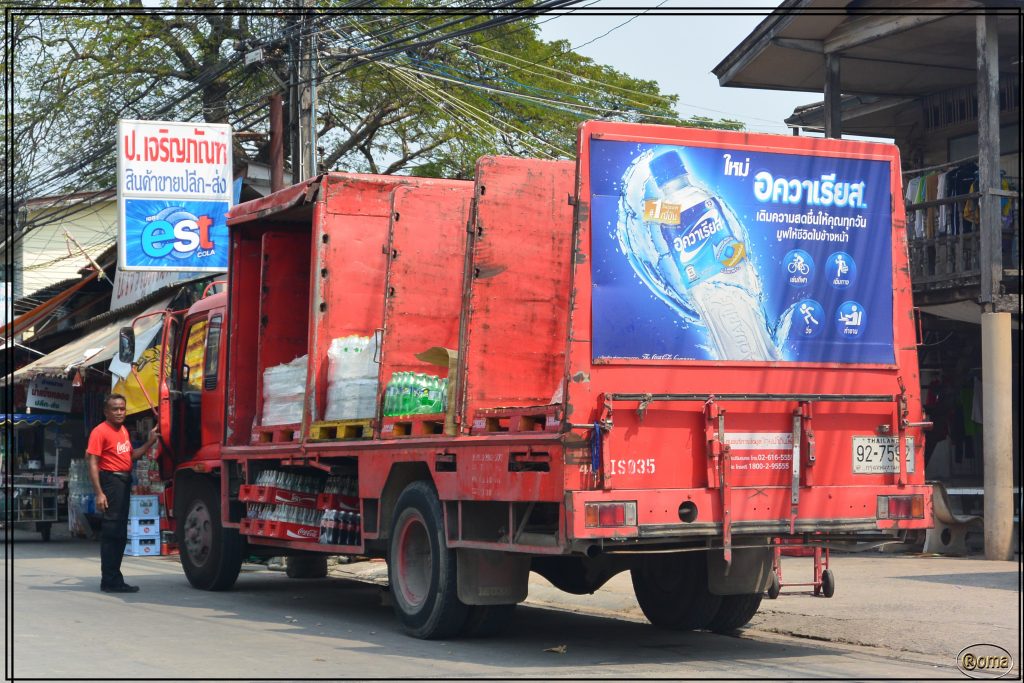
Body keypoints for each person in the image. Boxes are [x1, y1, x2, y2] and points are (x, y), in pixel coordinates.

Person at [86, 393, 159, 593]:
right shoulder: (100, 432)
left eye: (122, 409)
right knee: (112, 531)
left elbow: (131, 456)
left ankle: (114, 578)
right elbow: (92, 461)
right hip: (111, 481)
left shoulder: (124, 431)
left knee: (119, 532)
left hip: (124, 480)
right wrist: (99, 493)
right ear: (106, 412)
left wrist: (150, 442)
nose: (119, 412)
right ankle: (109, 580)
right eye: (115, 409)